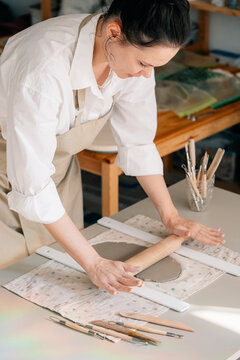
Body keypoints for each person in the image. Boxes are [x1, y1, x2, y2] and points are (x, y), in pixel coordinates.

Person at [0, 0, 224, 294]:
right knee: (12, 287)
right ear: (115, 31)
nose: (147, 74)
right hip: (8, 174)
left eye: (153, 67)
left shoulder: (131, 52)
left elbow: (138, 142)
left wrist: (170, 217)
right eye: (144, 64)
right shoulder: (43, 72)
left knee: (58, 279)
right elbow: (33, 184)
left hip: (58, 174)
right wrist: (94, 263)